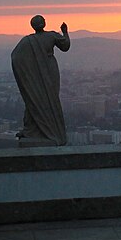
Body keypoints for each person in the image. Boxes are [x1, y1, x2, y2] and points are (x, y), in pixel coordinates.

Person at [11, 15, 71, 146]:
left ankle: (32, 130)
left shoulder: (27, 40)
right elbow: (65, 46)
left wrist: (27, 71)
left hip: (37, 73)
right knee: (46, 99)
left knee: (35, 99)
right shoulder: (51, 36)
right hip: (49, 70)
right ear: (44, 23)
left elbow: (15, 56)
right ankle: (38, 130)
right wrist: (65, 32)